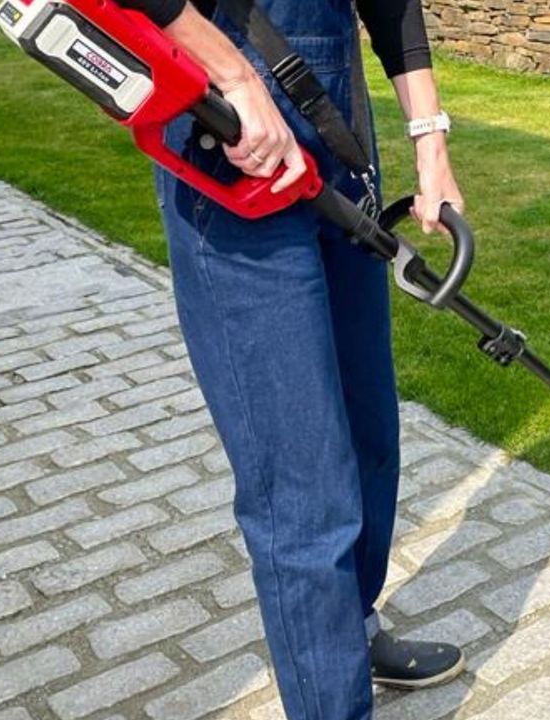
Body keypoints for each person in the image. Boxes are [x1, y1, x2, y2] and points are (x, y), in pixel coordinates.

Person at [114, 0, 466, 717]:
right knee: (302, 488)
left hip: (334, 139)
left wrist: (431, 142)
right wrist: (235, 76)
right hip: (226, 143)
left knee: (370, 436)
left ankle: (352, 627)